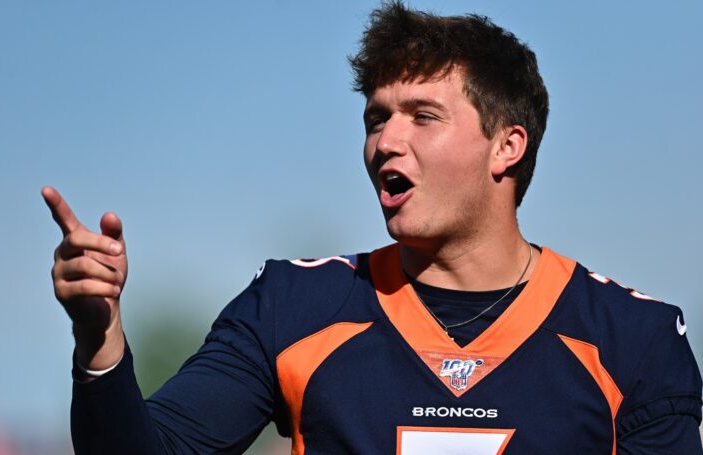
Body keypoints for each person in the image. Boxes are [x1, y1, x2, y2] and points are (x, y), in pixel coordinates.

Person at [43, 2, 702, 453]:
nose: (385, 140)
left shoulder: (633, 339)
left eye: (421, 115)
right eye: (375, 118)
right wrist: (98, 338)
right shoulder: (291, 305)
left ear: (507, 146)